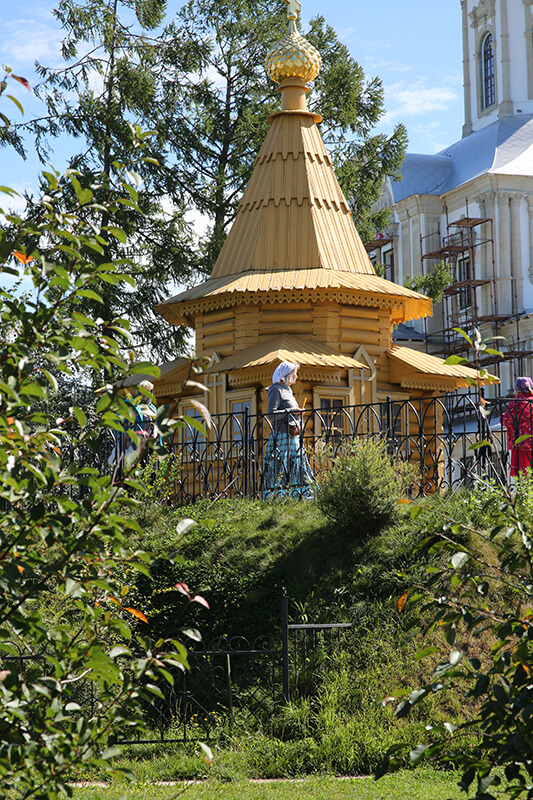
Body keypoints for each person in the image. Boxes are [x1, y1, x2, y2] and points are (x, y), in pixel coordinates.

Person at [263, 361, 314, 498]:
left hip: (292, 436)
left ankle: (302, 494)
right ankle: (276, 496)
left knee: (297, 462)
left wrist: (296, 413)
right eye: (294, 373)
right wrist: (291, 410)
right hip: (282, 435)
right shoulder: (276, 389)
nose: (296, 377)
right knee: (281, 464)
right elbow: (271, 414)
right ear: (286, 375)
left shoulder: (287, 390)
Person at [502, 376, 533, 476]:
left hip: (520, 443)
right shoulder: (531, 401)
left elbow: (507, 420)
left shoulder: (514, 402)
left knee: (524, 476)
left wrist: (502, 418)